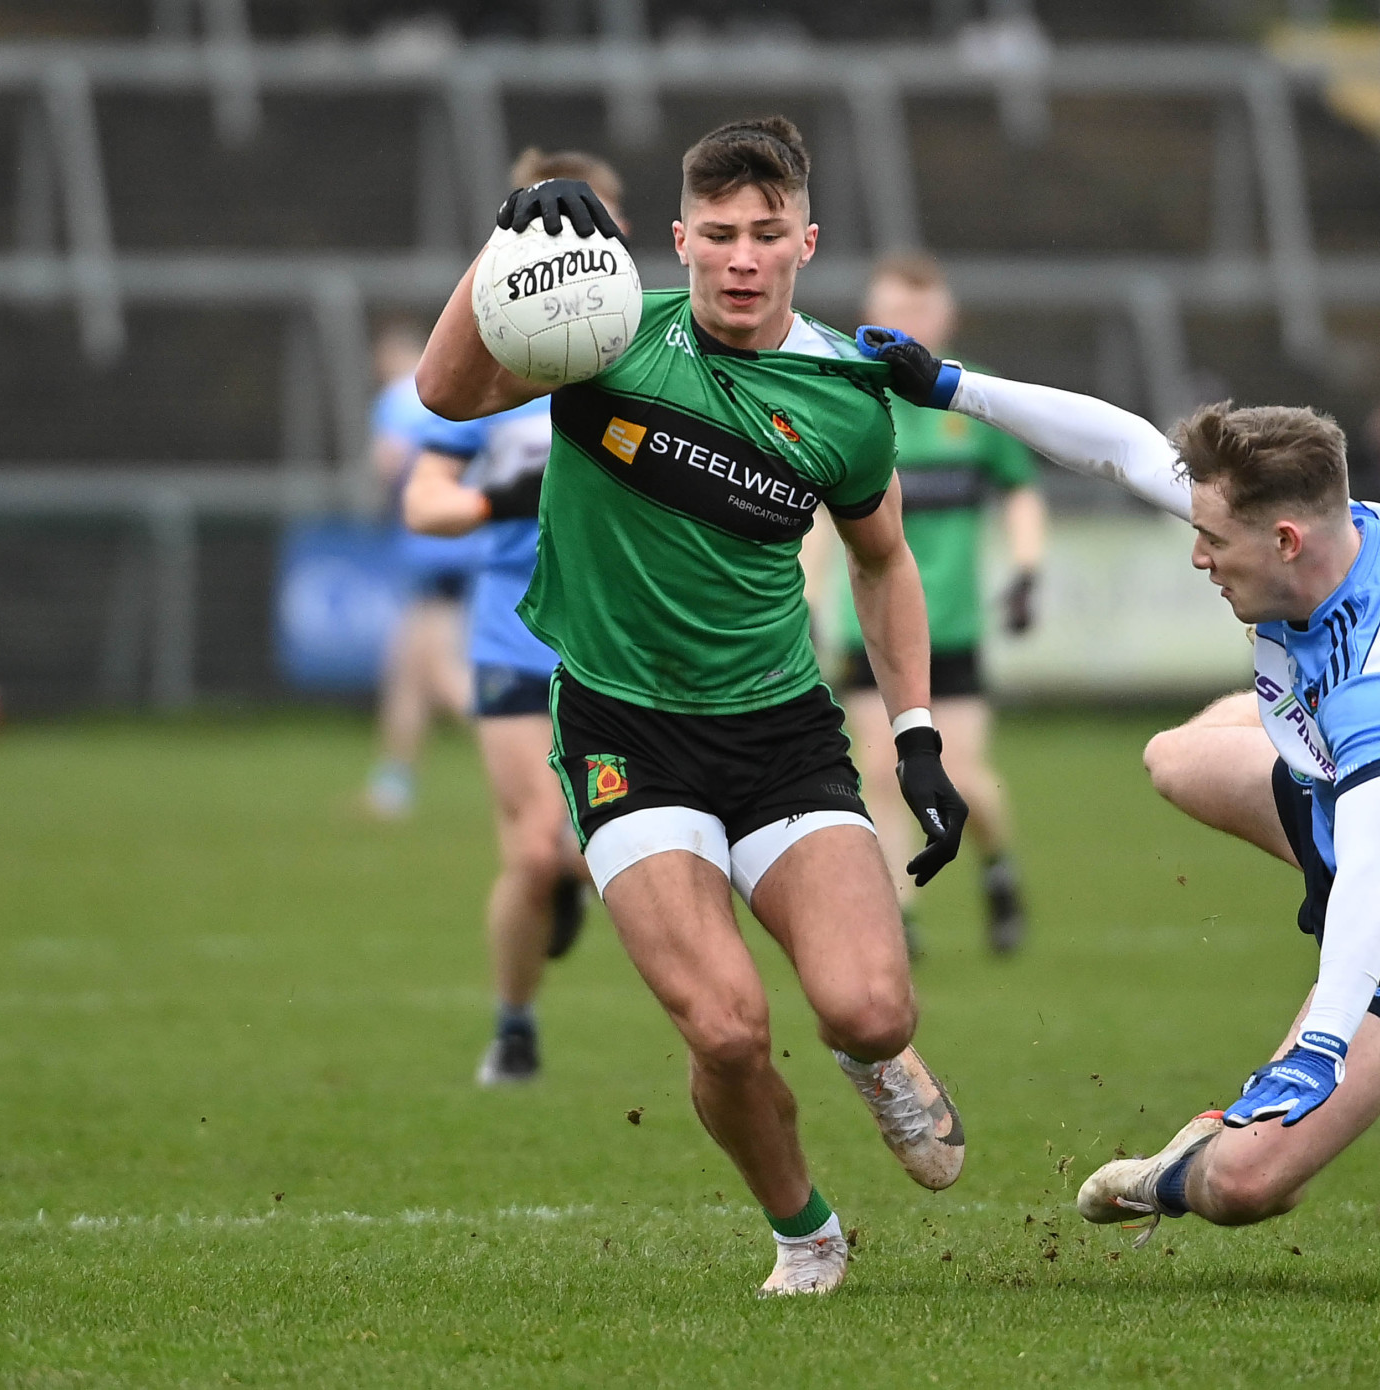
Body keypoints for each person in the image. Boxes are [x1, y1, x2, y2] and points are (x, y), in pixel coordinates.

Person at [416, 116, 970, 1298]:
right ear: (678, 240)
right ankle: (806, 1232)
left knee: (873, 1008)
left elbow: (883, 562)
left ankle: (874, 1055)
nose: (742, 258)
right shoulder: (602, 337)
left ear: (806, 242)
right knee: (724, 1027)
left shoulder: (847, 396)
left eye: (768, 233)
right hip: (624, 731)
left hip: (780, 732)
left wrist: (916, 736)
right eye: (718, 234)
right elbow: (446, 391)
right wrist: (504, 247)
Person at [858, 331, 1380, 1245]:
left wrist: (1321, 1046)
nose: (1197, 558)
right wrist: (954, 387)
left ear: (1286, 540)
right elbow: (1123, 448)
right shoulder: (1340, 525)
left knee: (1244, 1187)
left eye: (1212, 541)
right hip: (1347, 804)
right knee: (1174, 758)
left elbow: (1375, 880)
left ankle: (1184, 1159)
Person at [398, 146, 623, 1088]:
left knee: (602, 846)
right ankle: (515, 1027)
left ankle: (573, 879)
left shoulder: (648, 351)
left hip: (616, 637)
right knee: (536, 851)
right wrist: (502, 501)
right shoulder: (490, 366)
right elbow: (423, 505)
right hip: (513, 634)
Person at [805, 254, 1046, 957]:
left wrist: (1026, 571)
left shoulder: (974, 398)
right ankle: (899, 918)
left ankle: (997, 866)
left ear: (947, 318)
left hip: (952, 628)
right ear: (869, 317)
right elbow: (821, 517)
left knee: (961, 774)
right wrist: (810, 596)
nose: (907, 323)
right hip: (872, 626)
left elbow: (1020, 490)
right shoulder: (849, 396)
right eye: (894, 310)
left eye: (920, 310)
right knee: (882, 771)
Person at [363, 321, 481, 819]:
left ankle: (536, 748)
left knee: (441, 676)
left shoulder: (399, 397)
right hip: (462, 545)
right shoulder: (457, 391)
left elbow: (387, 463)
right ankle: (393, 785)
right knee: (406, 673)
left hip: (430, 551)